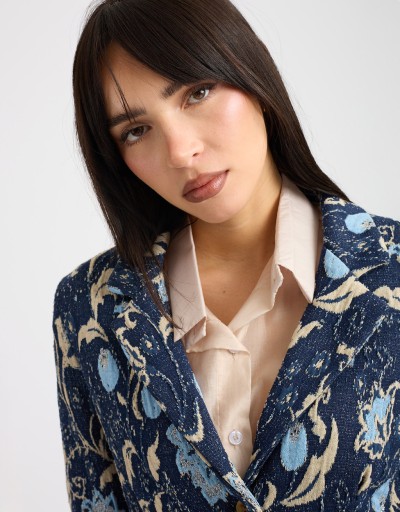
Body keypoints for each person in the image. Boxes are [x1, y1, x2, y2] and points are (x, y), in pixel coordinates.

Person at [52, 0, 400, 510]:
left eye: (196, 93)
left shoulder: (389, 271)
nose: (180, 152)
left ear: (250, 72)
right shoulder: (89, 308)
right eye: (136, 130)